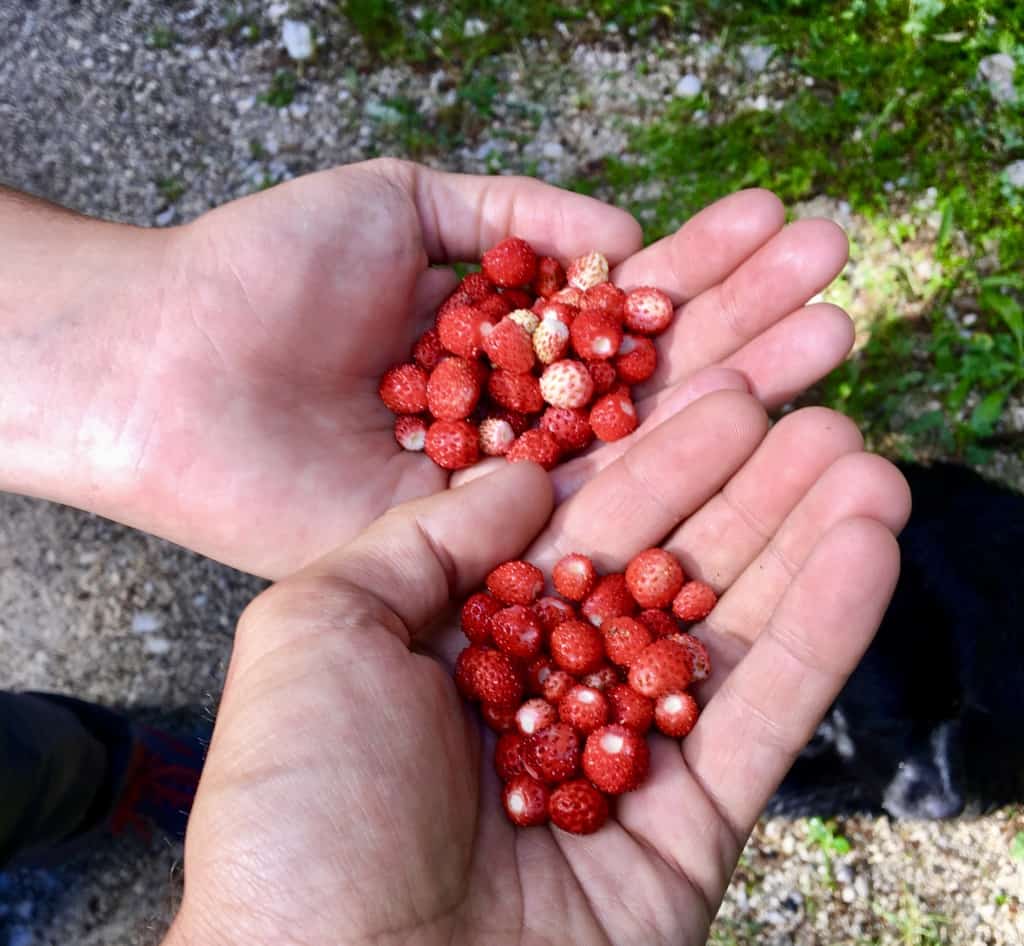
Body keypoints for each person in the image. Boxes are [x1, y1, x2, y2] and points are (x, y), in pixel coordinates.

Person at [0, 160, 910, 942]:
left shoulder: (562, 612)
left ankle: (104, 769)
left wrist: (141, 346)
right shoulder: (483, 404)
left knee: (32, 766)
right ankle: (104, 772)